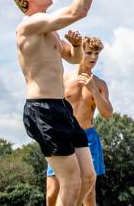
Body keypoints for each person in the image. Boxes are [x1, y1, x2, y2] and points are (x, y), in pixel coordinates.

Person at [11, 0, 102, 206]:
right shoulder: (29, 26)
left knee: (88, 177)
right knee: (71, 182)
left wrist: (76, 45)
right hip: (43, 110)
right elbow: (79, 11)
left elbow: (73, 57)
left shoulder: (49, 32)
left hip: (61, 108)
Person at [46, 36, 113, 206]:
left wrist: (94, 91)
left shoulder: (100, 84)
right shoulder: (64, 79)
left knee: (88, 196)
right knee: (52, 192)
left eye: (96, 54)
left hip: (88, 137)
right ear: (80, 52)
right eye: (89, 53)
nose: (93, 57)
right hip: (63, 137)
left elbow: (107, 114)